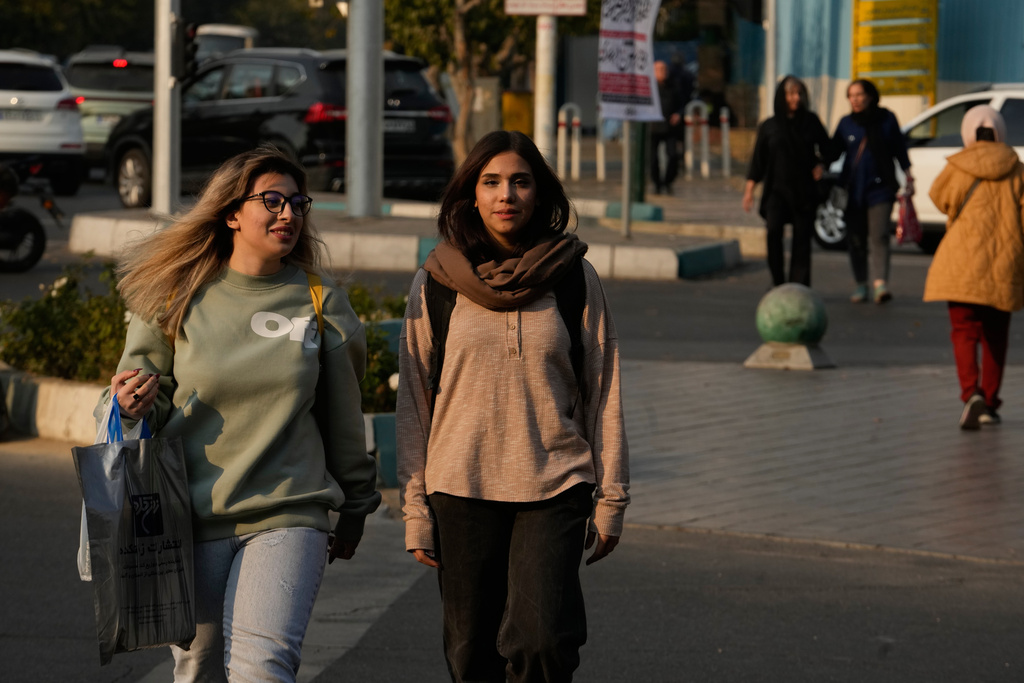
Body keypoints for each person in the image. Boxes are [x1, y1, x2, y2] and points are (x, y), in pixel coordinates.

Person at [97, 147, 381, 682]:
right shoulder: (175, 296)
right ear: (231, 213)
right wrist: (130, 404)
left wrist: (357, 507)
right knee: (198, 670)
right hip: (188, 518)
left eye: (298, 203)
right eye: (271, 201)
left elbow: (344, 417)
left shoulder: (320, 302)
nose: (289, 215)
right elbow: (141, 397)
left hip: (288, 510)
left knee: (263, 669)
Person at [396, 130, 630, 683]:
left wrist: (612, 496)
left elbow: (605, 388)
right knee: (471, 655)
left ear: (540, 194)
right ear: (470, 196)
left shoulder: (574, 277)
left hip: (554, 483)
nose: (507, 195)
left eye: (521, 182)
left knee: (544, 641)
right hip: (459, 487)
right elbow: (414, 400)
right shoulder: (436, 284)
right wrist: (414, 510)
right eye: (492, 182)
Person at [923, 105, 1024, 429]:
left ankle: (971, 394)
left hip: (961, 264)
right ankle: (991, 401)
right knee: (996, 335)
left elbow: (939, 198)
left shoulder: (958, 166)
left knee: (964, 332)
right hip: (1003, 265)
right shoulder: (1017, 168)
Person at [830, 78, 914, 304]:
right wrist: (818, 163)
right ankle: (860, 284)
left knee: (879, 236)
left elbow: (899, 148)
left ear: (870, 95)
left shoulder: (886, 119)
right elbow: (833, 151)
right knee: (856, 239)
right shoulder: (846, 123)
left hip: (880, 188)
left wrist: (908, 174)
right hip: (853, 190)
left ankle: (880, 284)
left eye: (859, 94)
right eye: (851, 95)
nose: (855, 99)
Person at [742, 75, 829, 287]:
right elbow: (758, 160)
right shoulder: (769, 126)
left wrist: (822, 164)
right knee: (773, 233)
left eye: (799, 93)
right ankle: (778, 282)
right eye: (790, 93)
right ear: (782, 96)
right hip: (775, 191)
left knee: (802, 240)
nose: (795, 98)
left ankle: (798, 286)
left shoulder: (811, 122)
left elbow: (829, 148)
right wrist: (749, 190)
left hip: (804, 191)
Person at [650, 59, 688, 194]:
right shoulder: (649, 88)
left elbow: (682, 104)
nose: (662, 72)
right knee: (653, 158)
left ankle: (668, 181)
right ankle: (657, 184)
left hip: (670, 128)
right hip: (653, 128)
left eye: (664, 69)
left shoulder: (674, 86)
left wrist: (678, 114)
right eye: (659, 70)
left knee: (673, 155)